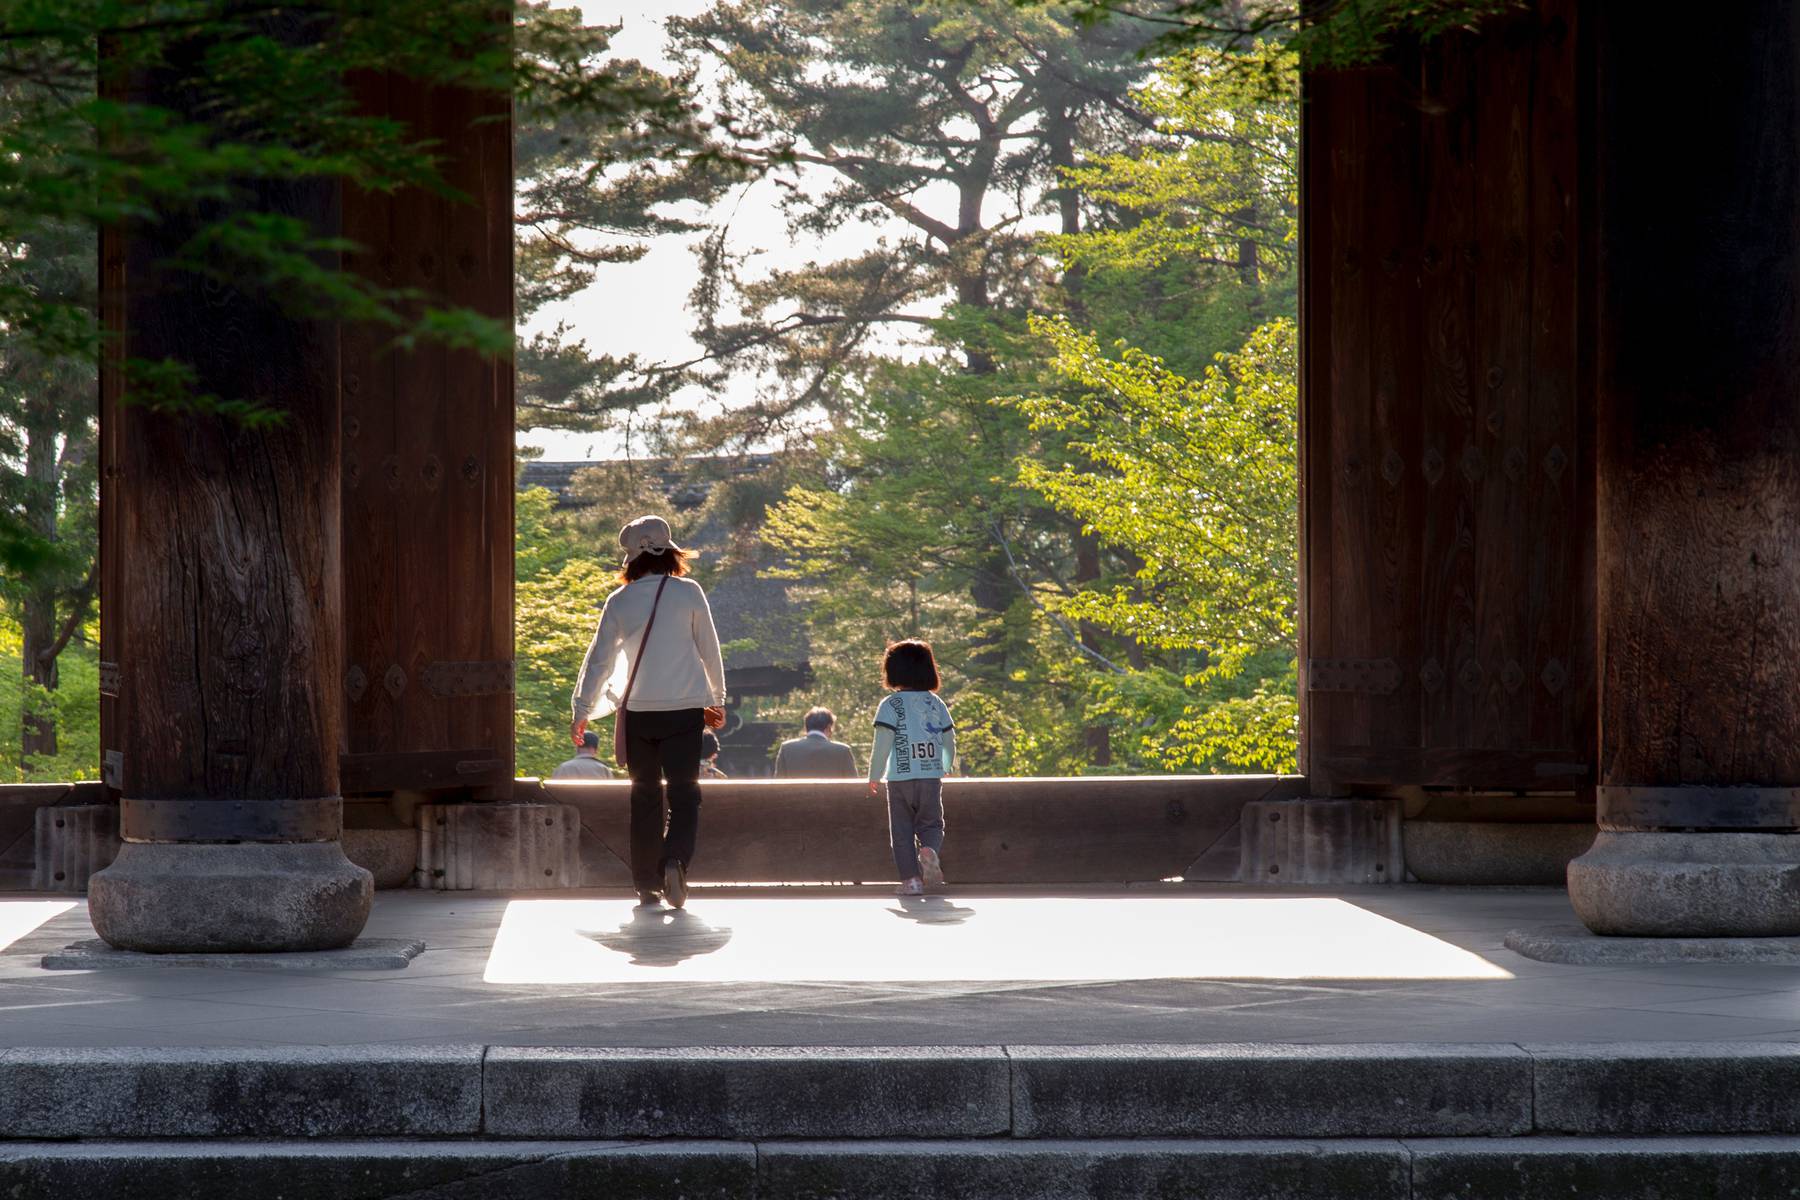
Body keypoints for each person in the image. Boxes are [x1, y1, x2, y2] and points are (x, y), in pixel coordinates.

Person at [572, 515, 726, 910]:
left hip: (639, 712)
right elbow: (709, 647)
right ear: (671, 552)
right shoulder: (689, 592)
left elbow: (599, 661)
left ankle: (645, 883)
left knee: (643, 797)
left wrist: (582, 709)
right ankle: (675, 859)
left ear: (631, 559)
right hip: (685, 710)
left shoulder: (620, 601)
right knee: (684, 794)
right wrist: (718, 699)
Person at [867, 639, 955, 897]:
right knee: (932, 825)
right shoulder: (936, 703)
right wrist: (946, 764)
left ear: (892, 671)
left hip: (899, 779)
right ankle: (929, 849)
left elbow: (882, 743)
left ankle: (911, 881)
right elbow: (949, 739)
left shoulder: (890, 705)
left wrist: (874, 775)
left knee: (902, 831)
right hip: (930, 776)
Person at [773, 706, 858, 778]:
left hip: (795, 797)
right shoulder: (842, 750)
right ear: (829, 727)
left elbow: (777, 784)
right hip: (831, 797)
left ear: (806, 727)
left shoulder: (787, 749)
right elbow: (855, 787)